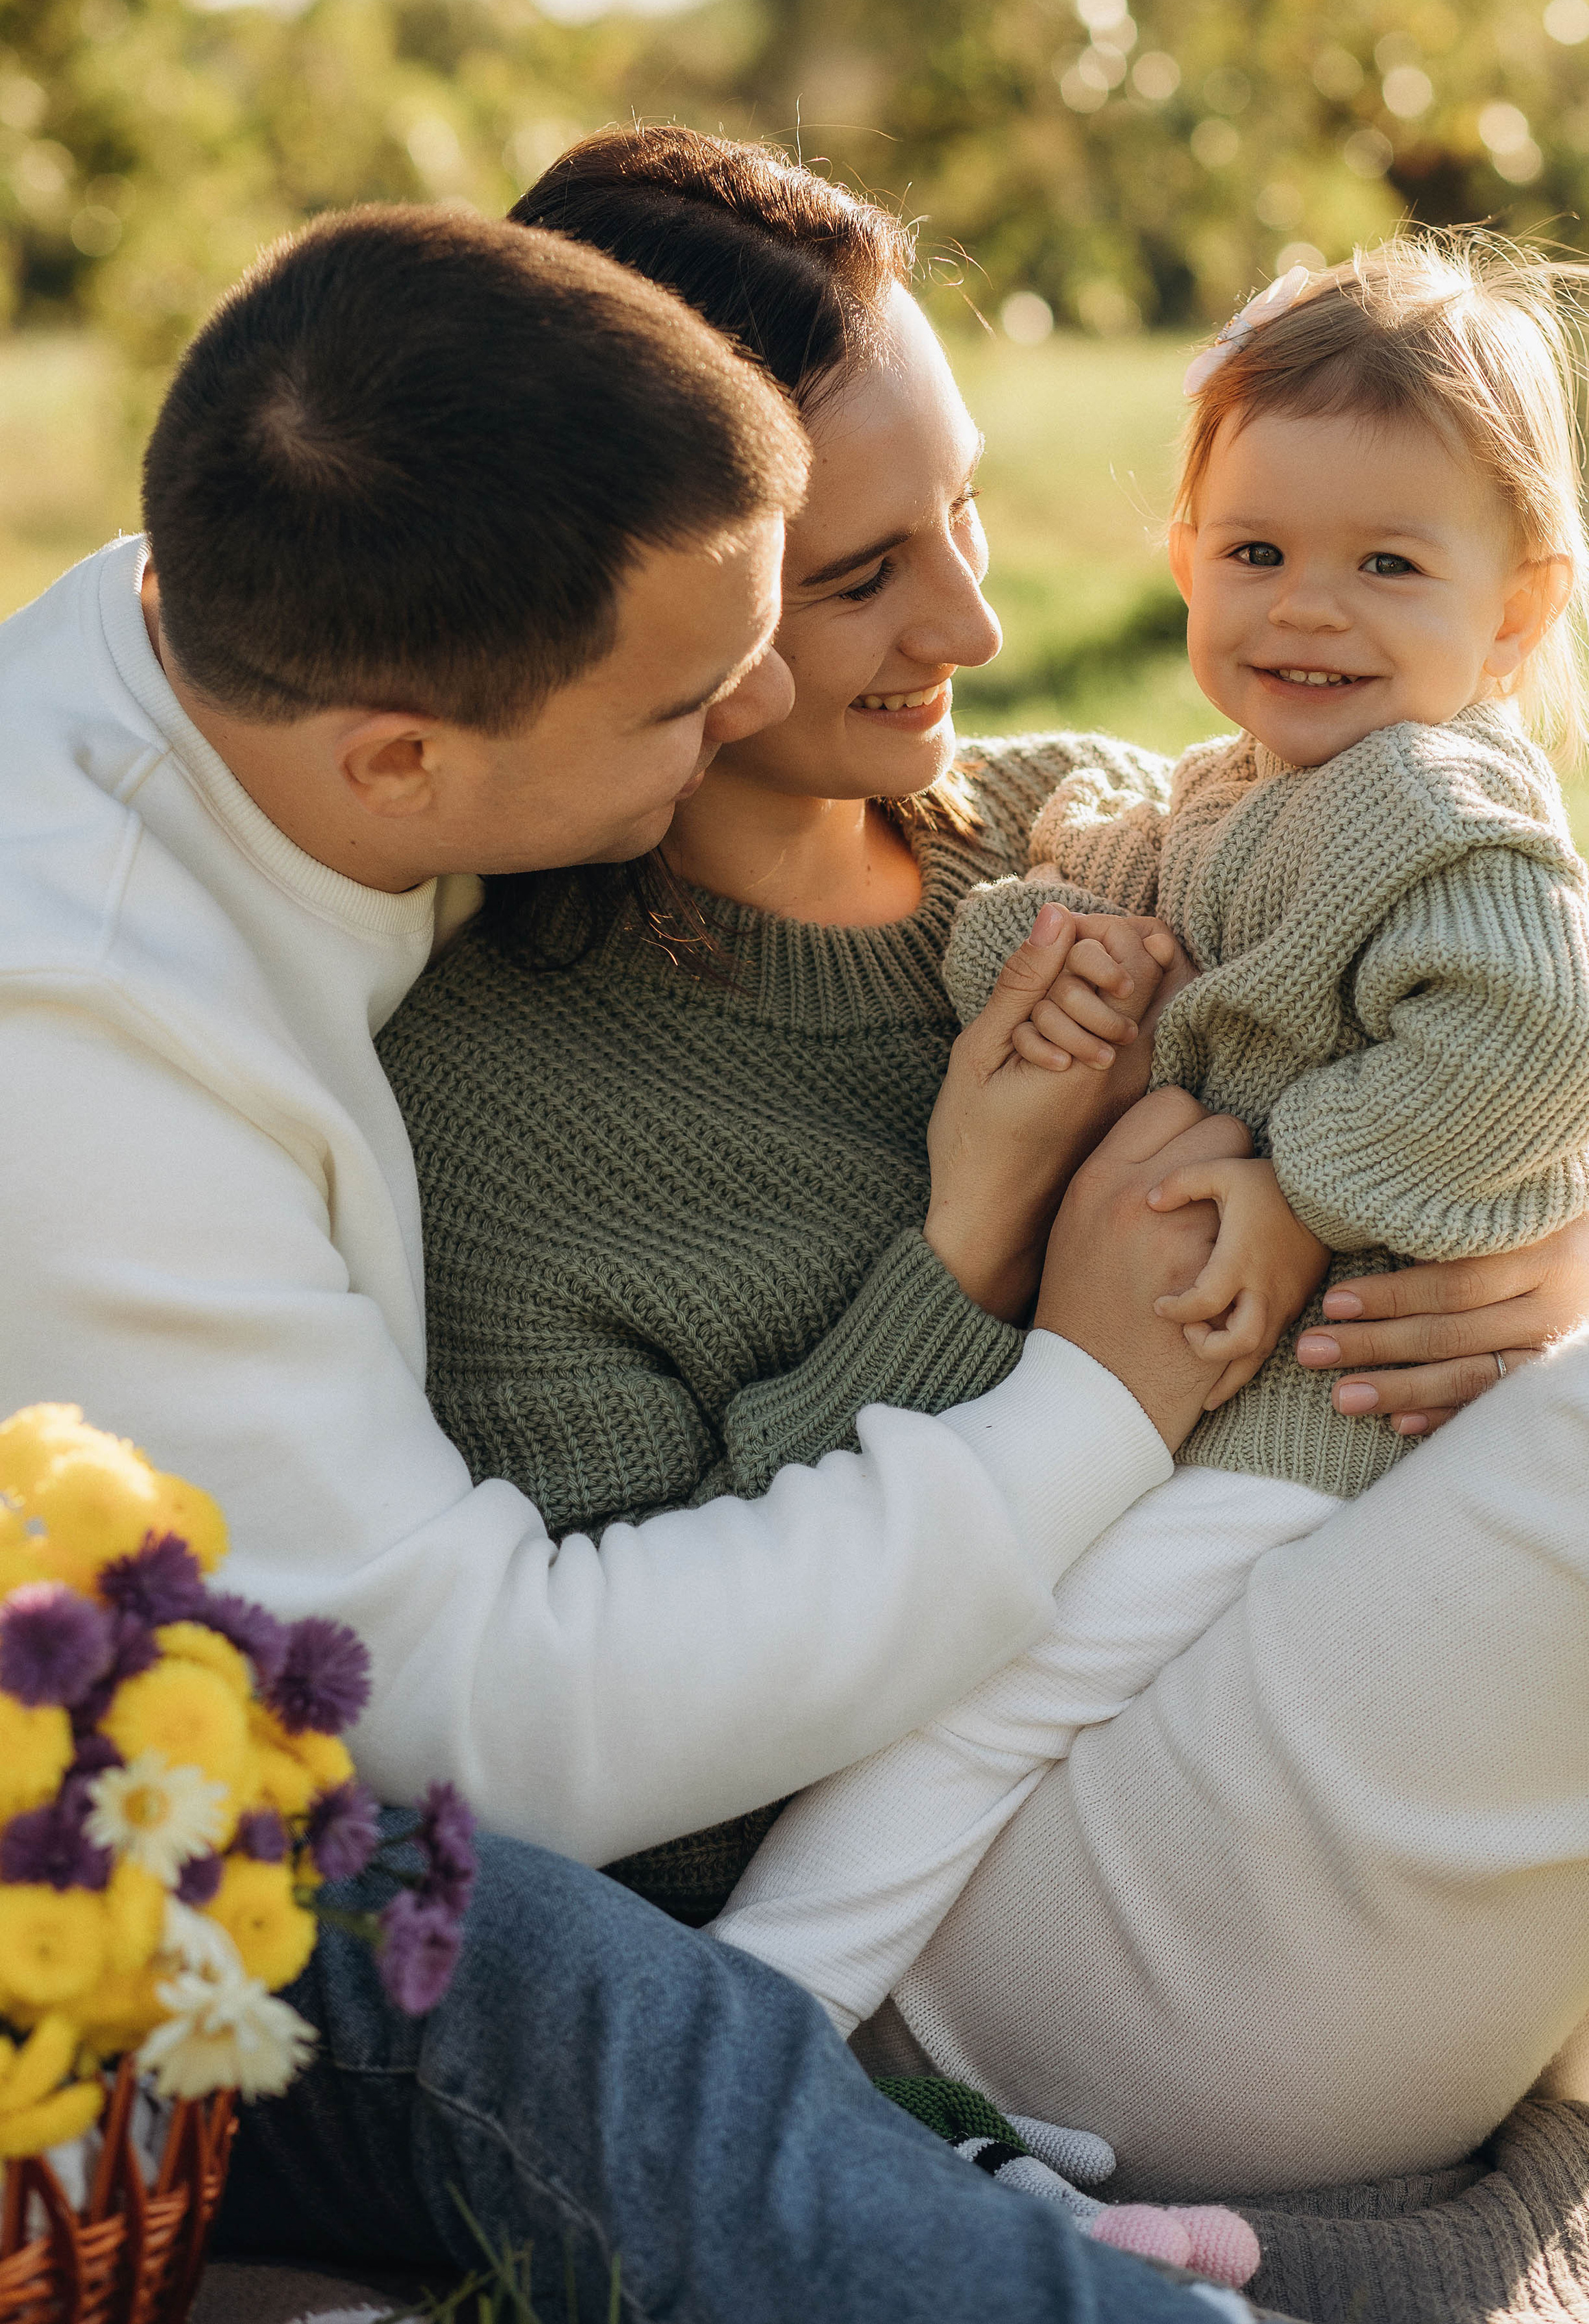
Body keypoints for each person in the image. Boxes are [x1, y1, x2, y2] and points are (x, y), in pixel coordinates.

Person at [0, 200, 1276, 2321]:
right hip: (110, 1880)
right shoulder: (92, 1051)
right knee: (532, 1984)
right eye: (695, 693)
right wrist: (1093, 1401)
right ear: (401, 760)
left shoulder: (280, 623)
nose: (767, 698)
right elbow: (499, 1726)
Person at [708, 233, 1589, 2041]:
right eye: (1258, 554)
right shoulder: (1239, 792)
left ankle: (751, 2029)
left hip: (1317, 1402)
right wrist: (1050, 954)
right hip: (1227, 1386)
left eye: (1387, 565)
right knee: (1018, 1690)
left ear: (1519, 607)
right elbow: (1086, 881)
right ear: (1184, 561)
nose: (1306, 608)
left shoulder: (1435, 798)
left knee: (1004, 1685)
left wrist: (1300, 1188)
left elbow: (1542, 1046)